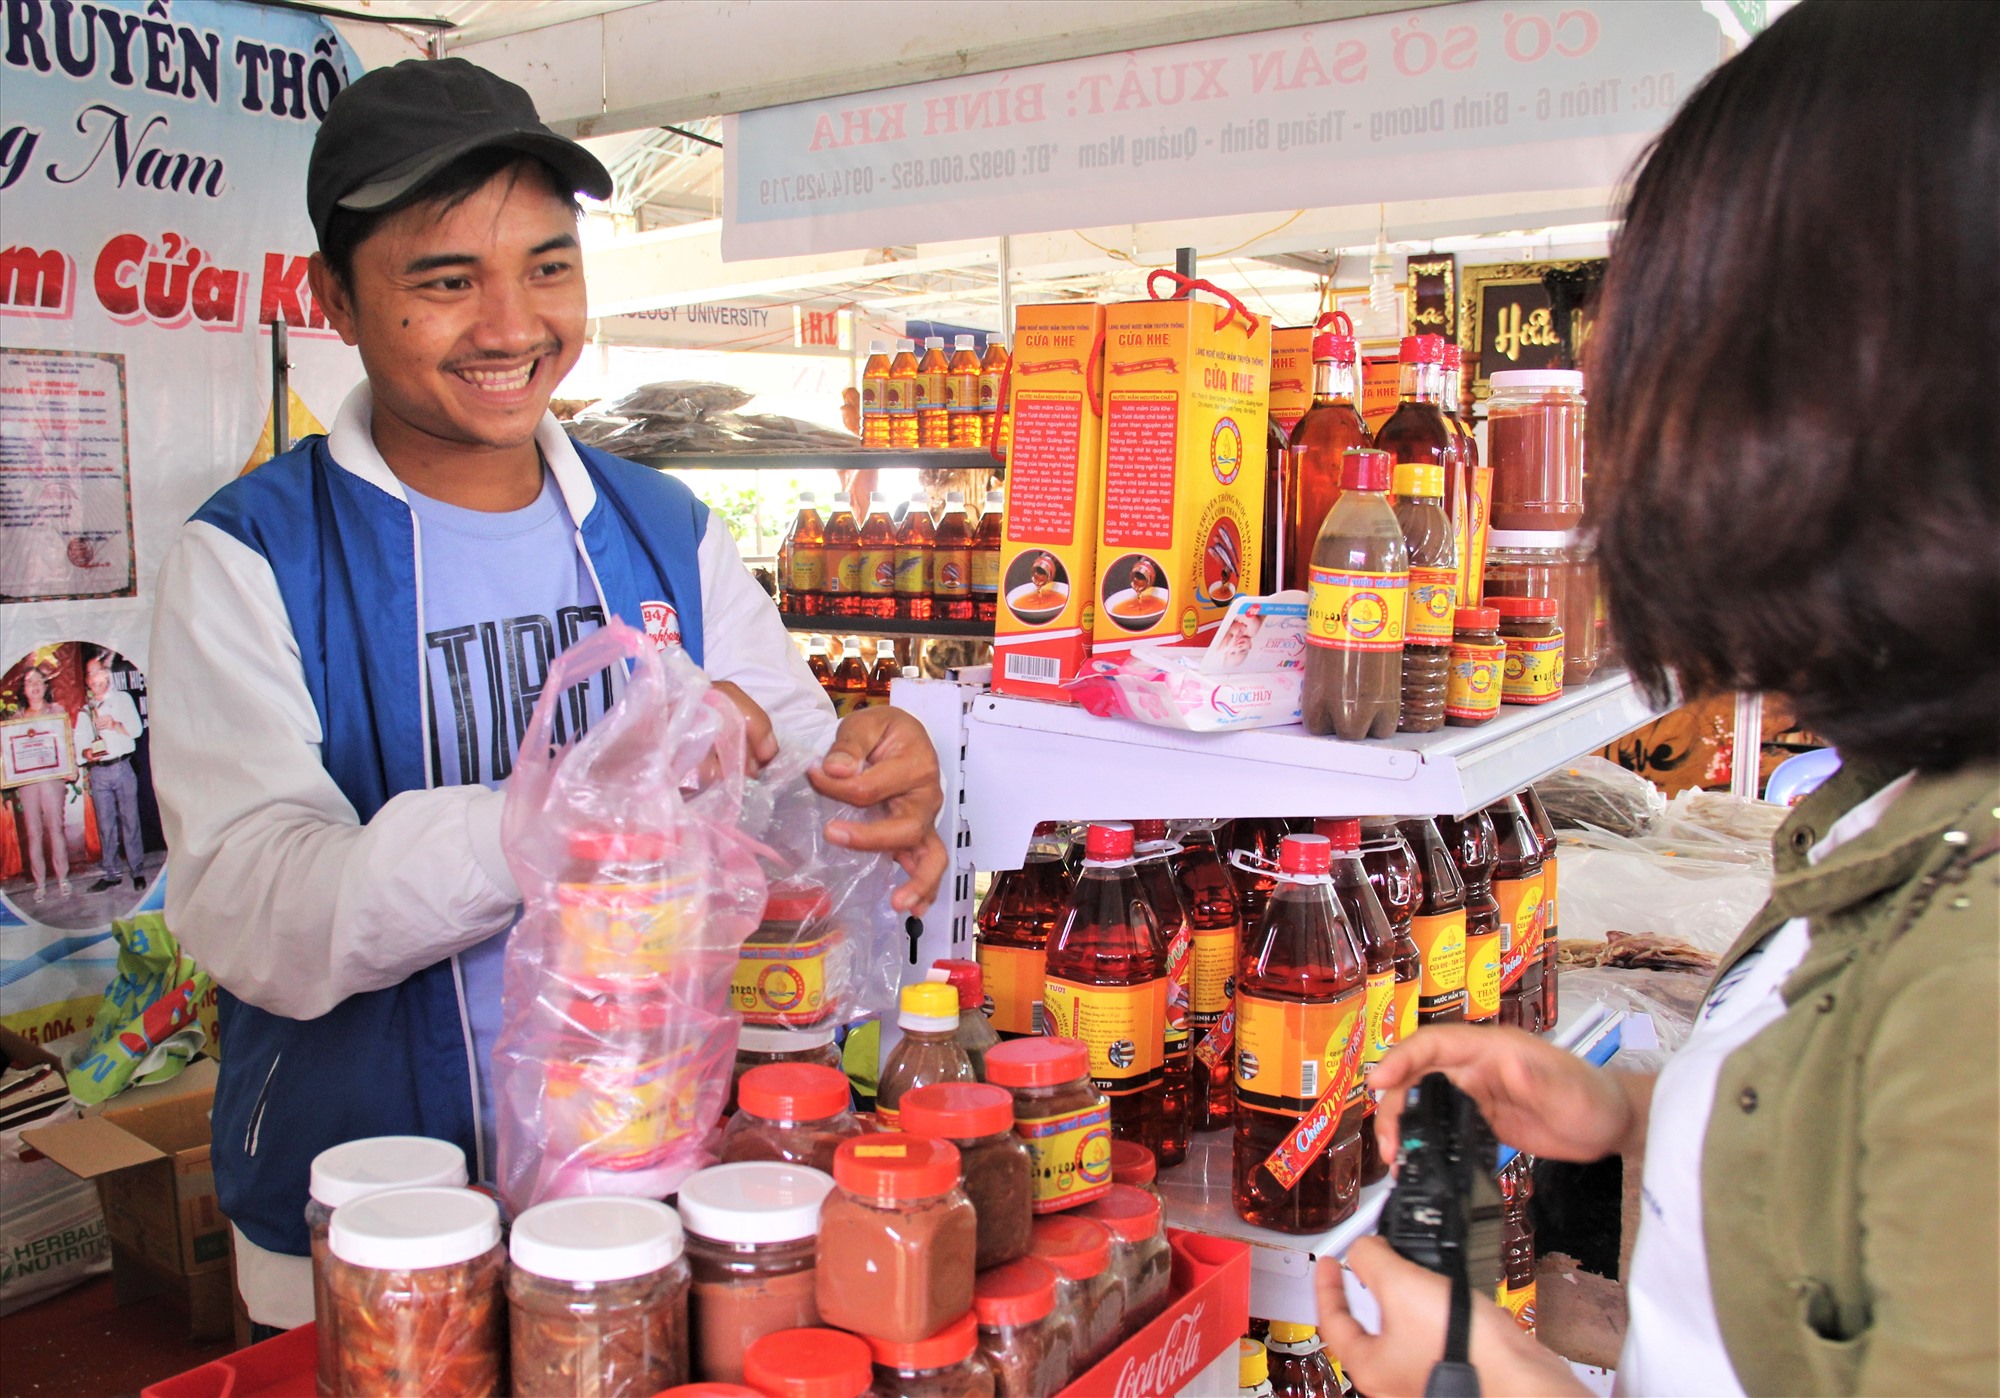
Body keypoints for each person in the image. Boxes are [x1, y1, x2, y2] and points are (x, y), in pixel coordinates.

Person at [148, 58, 947, 1330]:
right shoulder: (250, 557)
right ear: (336, 304)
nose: (513, 325)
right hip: (374, 1225)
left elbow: (793, 758)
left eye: (549, 266)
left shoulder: (662, 526)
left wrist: (872, 771)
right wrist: (558, 822)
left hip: (658, 1190)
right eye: (445, 280)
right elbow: (254, 908)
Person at [1315, 5, 1998, 1395]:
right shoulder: (1900, 807)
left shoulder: (1975, 968)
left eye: (1664, 344)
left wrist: (1491, 1373)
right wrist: (1632, 1114)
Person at [74, 655, 146, 892]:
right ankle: (112, 873)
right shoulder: (85, 711)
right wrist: (86, 752)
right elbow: (79, 746)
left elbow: (136, 731)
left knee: (130, 820)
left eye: (97, 673)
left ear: (106, 675)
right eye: (89, 674)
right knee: (105, 826)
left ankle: (137, 871)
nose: (94, 678)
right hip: (99, 773)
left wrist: (114, 724)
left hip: (122, 767)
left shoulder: (122, 699)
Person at [12, 666, 72, 903]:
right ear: (24, 689)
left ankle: (63, 879)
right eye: (29, 682)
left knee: (56, 829)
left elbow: (66, 742)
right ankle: (40, 884)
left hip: (51, 779)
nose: (35, 686)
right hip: (28, 783)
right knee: (33, 833)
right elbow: (9, 752)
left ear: (46, 686)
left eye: (39, 681)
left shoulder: (57, 711)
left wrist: (71, 767)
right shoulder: (16, 719)